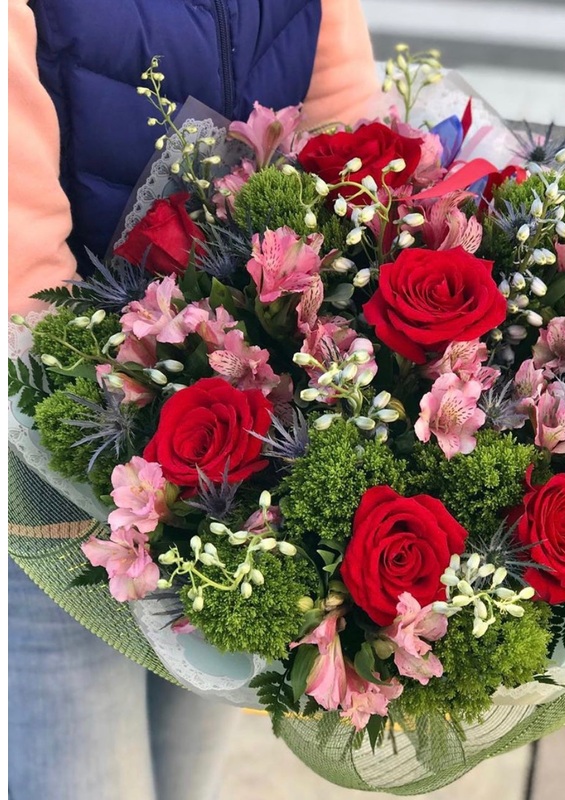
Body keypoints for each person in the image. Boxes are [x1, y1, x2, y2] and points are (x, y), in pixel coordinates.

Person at [8, 2, 379, 798]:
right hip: (53, 458)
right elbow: (17, 271)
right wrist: (105, 427)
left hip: (225, 453)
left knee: (184, 770)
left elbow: (342, 109)